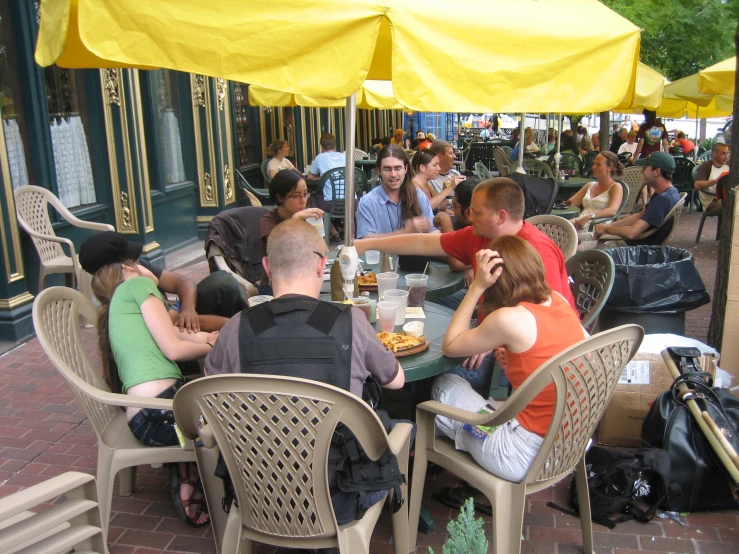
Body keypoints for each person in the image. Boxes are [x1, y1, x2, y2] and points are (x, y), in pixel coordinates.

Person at [205, 219, 407, 526]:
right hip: (338, 493)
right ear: (321, 265)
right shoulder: (350, 321)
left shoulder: (236, 327)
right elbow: (396, 381)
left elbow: (212, 391)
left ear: (267, 267)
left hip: (258, 491)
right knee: (401, 425)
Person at [355, 178, 577, 393]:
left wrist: (490, 341)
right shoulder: (480, 234)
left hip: (517, 357)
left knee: (433, 377)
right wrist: (366, 244)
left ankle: (409, 411)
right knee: (419, 298)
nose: (469, 217)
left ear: (500, 217)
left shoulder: (536, 250)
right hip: (491, 324)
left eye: (477, 212)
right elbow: (423, 242)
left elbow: (549, 323)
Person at [80, 234, 219, 527]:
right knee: (232, 422)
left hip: (146, 417)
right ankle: (226, 493)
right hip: (162, 413)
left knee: (211, 405)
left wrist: (213, 338)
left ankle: (185, 472)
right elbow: (175, 348)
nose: (146, 267)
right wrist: (211, 346)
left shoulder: (119, 302)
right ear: (126, 268)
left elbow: (176, 334)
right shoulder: (139, 286)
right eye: (137, 261)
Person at [433, 237, 587, 481]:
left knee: (444, 385)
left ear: (496, 279)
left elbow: (451, 346)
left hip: (521, 455)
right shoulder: (560, 300)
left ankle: (414, 449)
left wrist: (476, 287)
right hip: (569, 446)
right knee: (454, 407)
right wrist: (517, 361)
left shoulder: (509, 318)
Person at [81, 232, 244, 332]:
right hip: (173, 337)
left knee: (222, 282)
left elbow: (182, 282)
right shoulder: (131, 295)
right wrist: (236, 327)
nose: (137, 260)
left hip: (179, 321)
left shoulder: (133, 268)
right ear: (121, 267)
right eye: (130, 259)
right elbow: (173, 326)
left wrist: (188, 309)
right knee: (237, 323)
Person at [258, 169, 324, 292]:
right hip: (274, 285)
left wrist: (317, 229)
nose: (303, 201)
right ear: (280, 197)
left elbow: (322, 250)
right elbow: (283, 250)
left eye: (305, 194)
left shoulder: (304, 218)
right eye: (296, 196)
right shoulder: (267, 221)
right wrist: (295, 220)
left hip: (303, 279)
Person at [593, 151, 680, 246]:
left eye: (645, 167)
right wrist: (609, 225)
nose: (642, 171)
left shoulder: (662, 199)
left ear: (657, 172)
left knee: (580, 246)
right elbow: (639, 215)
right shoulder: (670, 192)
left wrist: (606, 229)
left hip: (633, 249)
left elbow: (632, 233)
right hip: (636, 244)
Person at [356, 144, 435, 238]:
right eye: (387, 169)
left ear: (405, 169)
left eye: (397, 168)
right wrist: (406, 232)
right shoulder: (367, 202)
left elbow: (433, 231)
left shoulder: (418, 196)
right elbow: (365, 240)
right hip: (383, 252)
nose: (393, 174)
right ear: (379, 171)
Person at [566, 152, 625, 247]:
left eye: (598, 164)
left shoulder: (615, 186)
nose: (593, 167)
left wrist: (589, 216)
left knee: (563, 238)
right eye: (594, 164)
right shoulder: (590, 185)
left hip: (596, 230)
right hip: (579, 224)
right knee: (555, 229)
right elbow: (570, 204)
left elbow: (612, 210)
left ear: (609, 167)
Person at [411, 149, 459, 233]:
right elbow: (427, 207)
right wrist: (449, 188)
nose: (439, 168)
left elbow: (441, 207)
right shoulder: (414, 187)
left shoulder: (426, 185)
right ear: (422, 168)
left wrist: (444, 189)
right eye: (435, 165)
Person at [694, 142, 730, 210]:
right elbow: (697, 185)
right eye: (723, 153)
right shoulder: (707, 165)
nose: (726, 156)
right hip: (712, 202)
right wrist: (716, 181)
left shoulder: (727, 166)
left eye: (727, 153)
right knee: (734, 204)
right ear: (714, 154)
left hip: (725, 198)